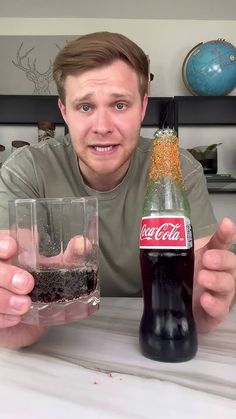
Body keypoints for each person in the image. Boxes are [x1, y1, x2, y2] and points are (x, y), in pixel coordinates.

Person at [0, 32, 235, 349]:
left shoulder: (175, 168)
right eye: (85, 107)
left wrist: (197, 304)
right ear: (64, 111)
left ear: (143, 107)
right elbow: (12, 263)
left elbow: (198, 282)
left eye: (120, 104)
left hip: (141, 344)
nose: (102, 126)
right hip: (61, 343)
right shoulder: (26, 168)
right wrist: (15, 305)